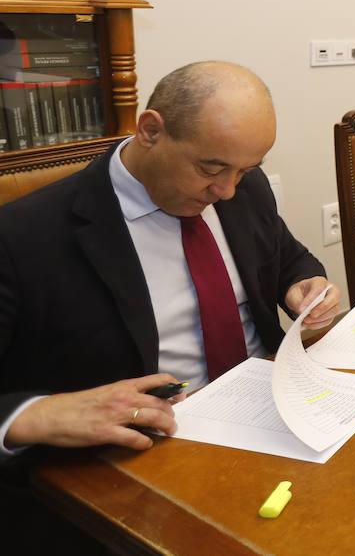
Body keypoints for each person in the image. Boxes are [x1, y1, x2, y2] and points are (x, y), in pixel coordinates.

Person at [0, 61, 337, 549]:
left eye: (247, 169)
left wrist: (304, 282)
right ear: (151, 130)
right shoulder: (24, 238)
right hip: (137, 467)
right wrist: (34, 415)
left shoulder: (241, 189)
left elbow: (286, 256)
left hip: (273, 421)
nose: (227, 191)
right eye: (211, 168)